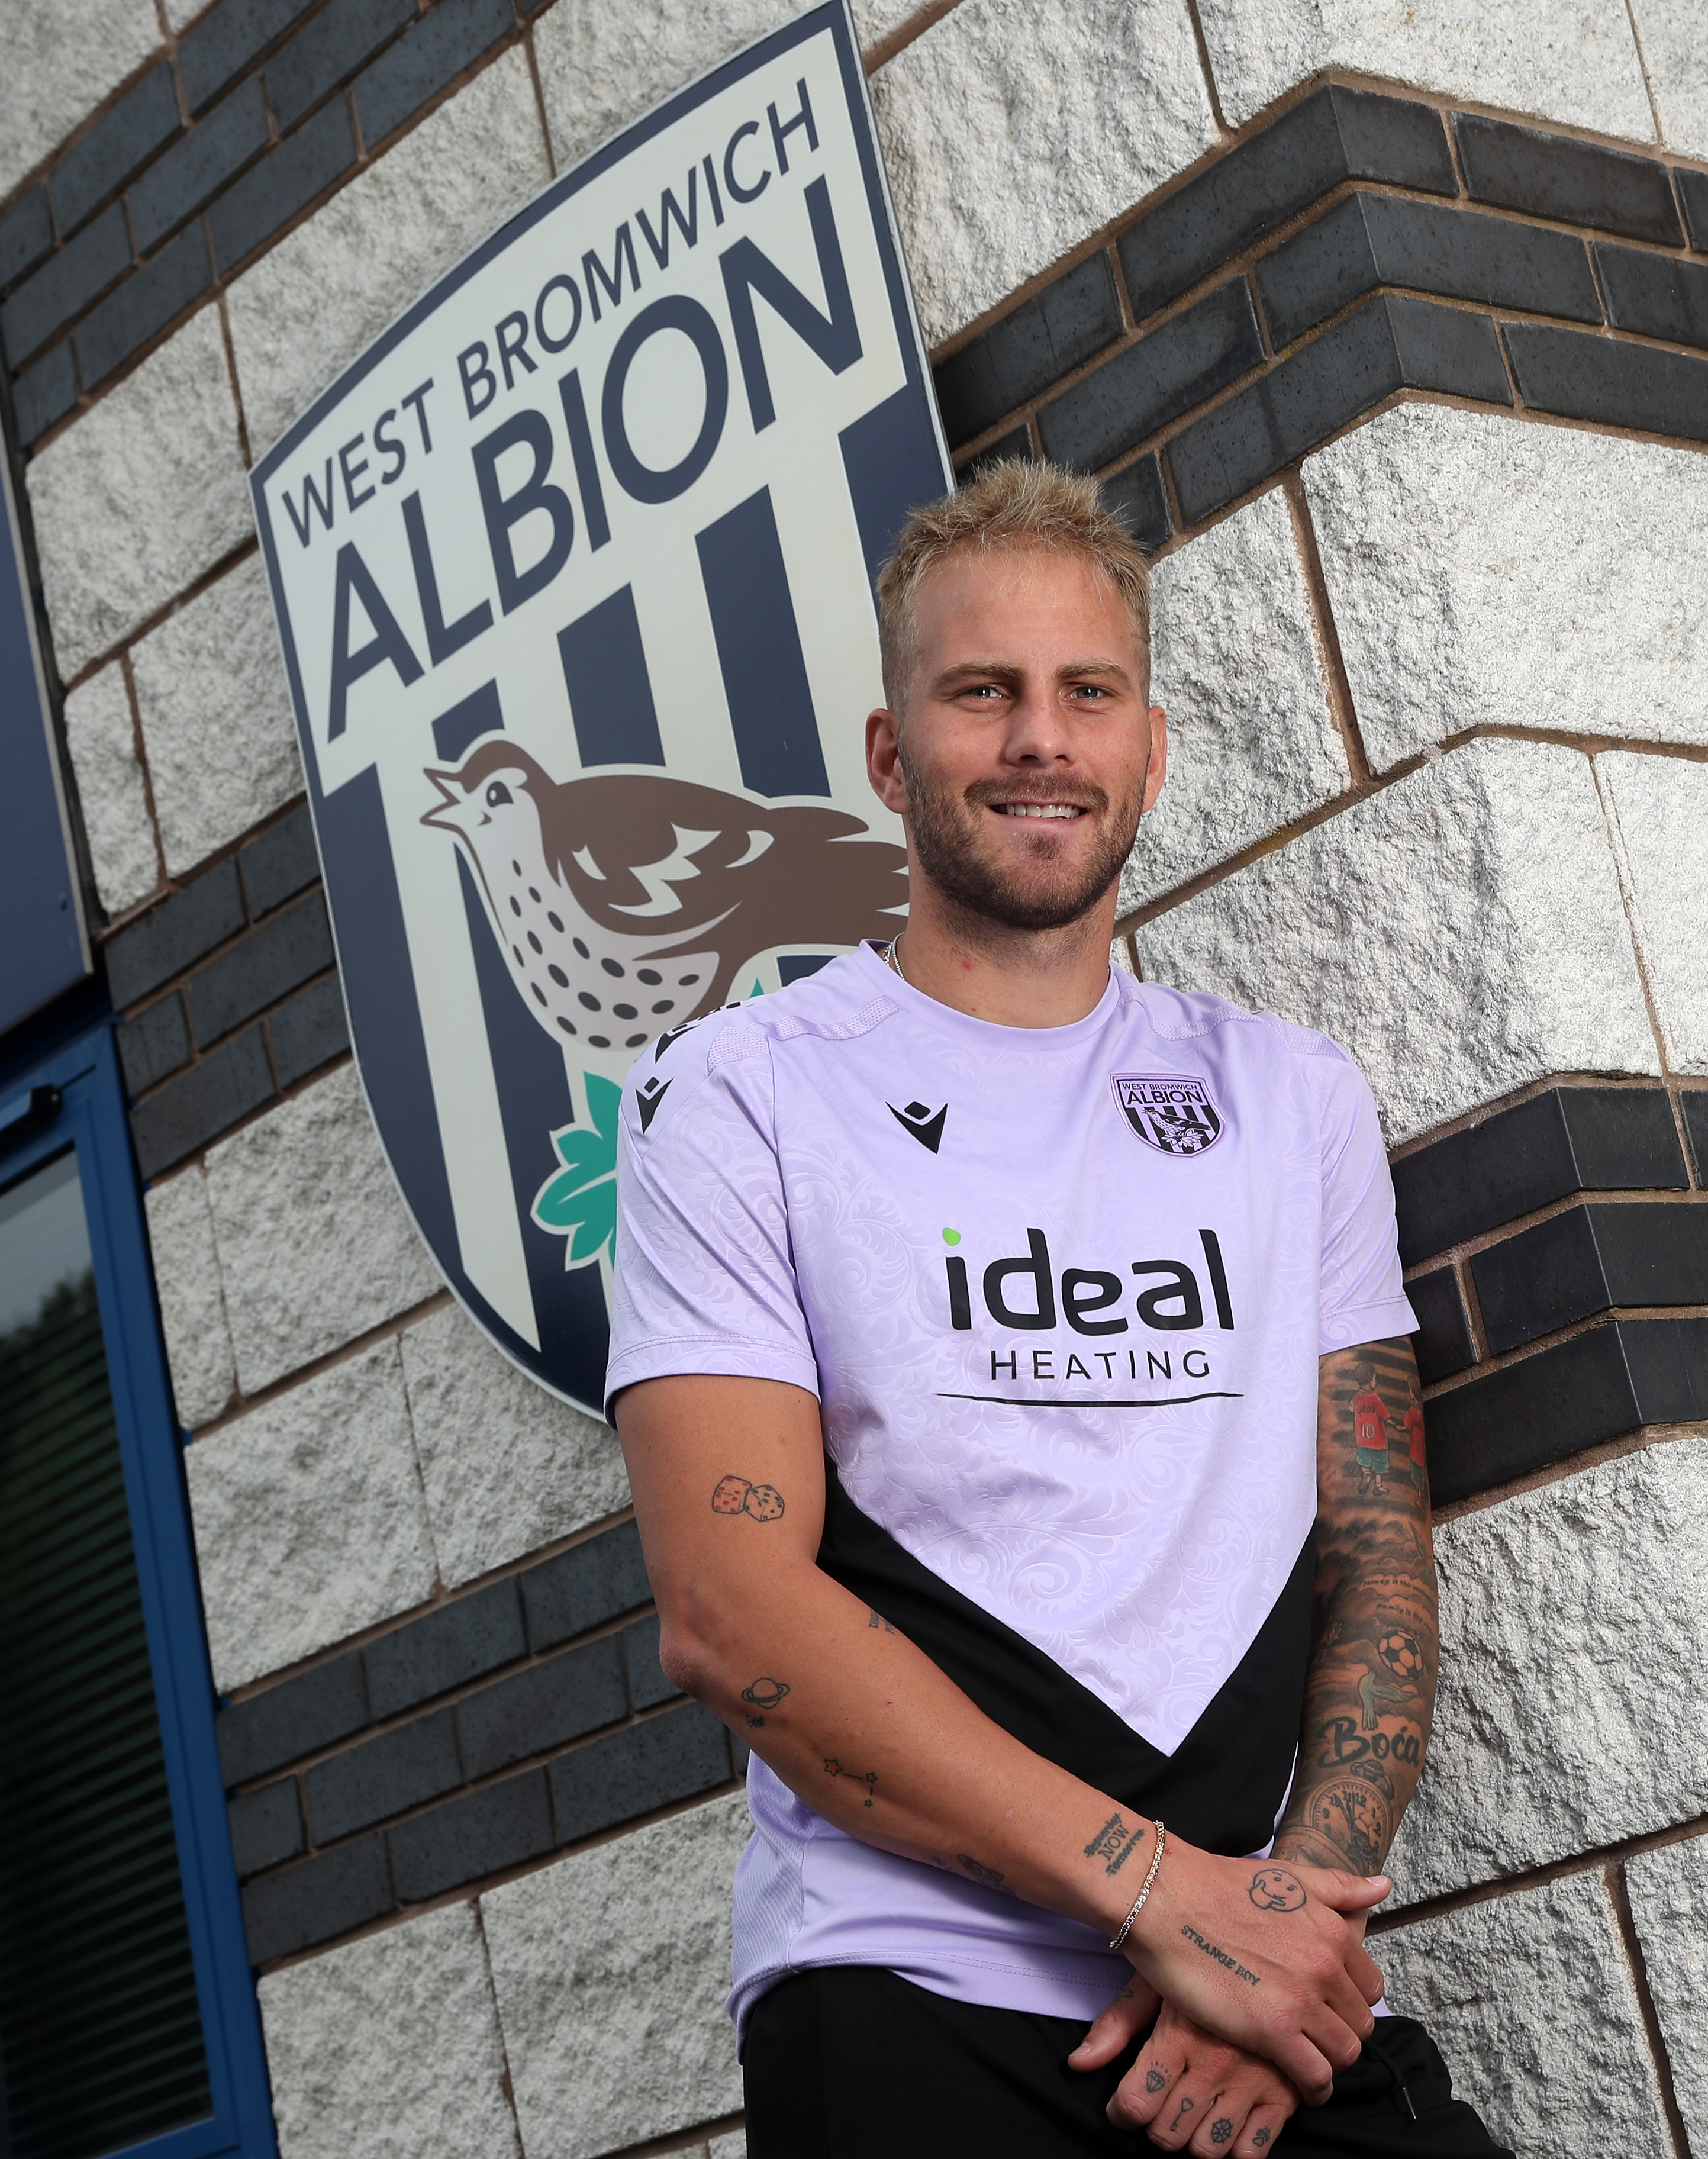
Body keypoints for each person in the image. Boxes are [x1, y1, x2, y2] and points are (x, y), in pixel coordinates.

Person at [604, 460, 1509, 2158]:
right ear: (893, 755)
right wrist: (1160, 1898)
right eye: (982, 693)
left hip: (1251, 1992)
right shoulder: (740, 1096)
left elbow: (1377, 1548)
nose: (1039, 738)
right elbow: (728, 1611)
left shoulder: (1291, 1095)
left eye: (1086, 693)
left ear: (1147, 749)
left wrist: (1275, 1929)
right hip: (913, 1997)